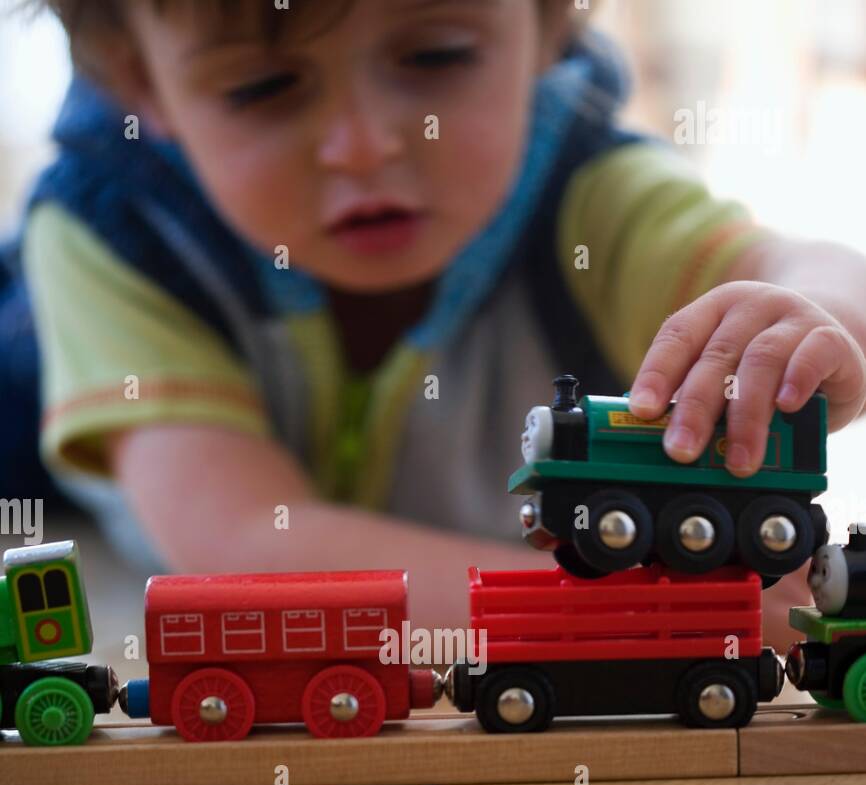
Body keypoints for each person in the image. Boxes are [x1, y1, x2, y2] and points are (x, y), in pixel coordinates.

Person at [13, 0, 866, 644]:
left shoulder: (593, 199)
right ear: (135, 80)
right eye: (261, 86)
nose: (362, 143)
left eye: (437, 56)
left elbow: (805, 268)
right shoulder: (116, 239)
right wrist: (644, 613)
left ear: (549, 26)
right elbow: (244, 543)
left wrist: (818, 322)